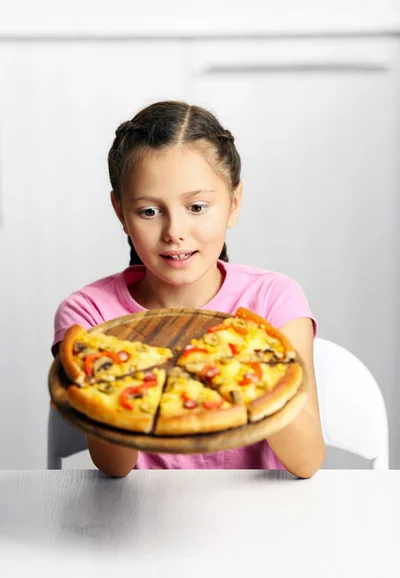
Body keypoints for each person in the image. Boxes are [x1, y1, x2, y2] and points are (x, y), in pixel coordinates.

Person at [52, 100, 325, 478]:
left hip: (261, 519)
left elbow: (307, 460)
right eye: (149, 211)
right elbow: (115, 467)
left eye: (197, 206)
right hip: (138, 516)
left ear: (234, 203)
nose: (174, 231)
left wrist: (237, 369)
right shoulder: (89, 316)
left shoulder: (273, 299)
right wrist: (123, 376)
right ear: (121, 213)